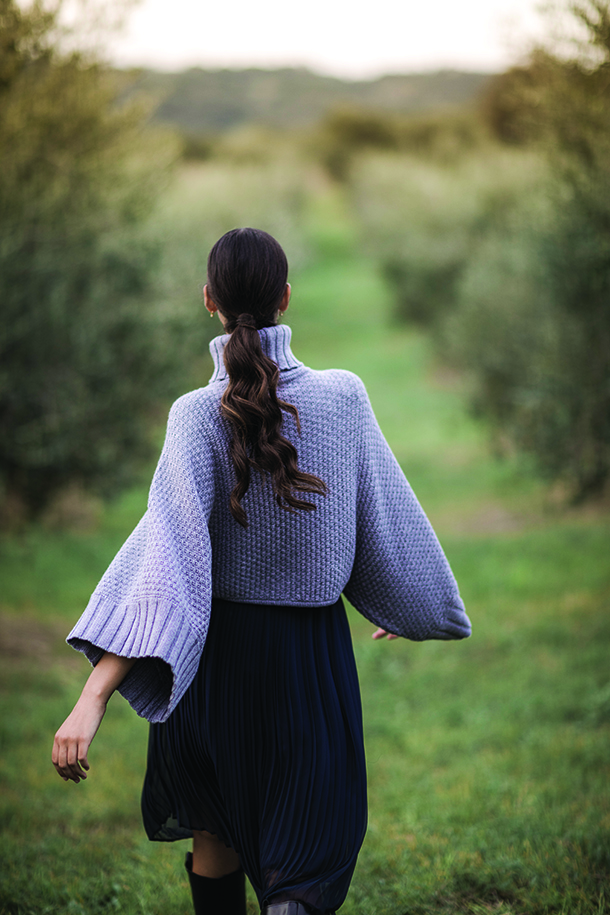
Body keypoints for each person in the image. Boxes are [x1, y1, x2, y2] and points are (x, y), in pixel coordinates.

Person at [52, 227, 471, 915]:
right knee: (303, 860)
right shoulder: (343, 398)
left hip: (211, 672)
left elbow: (164, 564)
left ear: (207, 300)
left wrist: (92, 696)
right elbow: (384, 514)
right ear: (285, 297)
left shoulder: (192, 415)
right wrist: (405, 602)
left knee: (214, 839)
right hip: (309, 665)